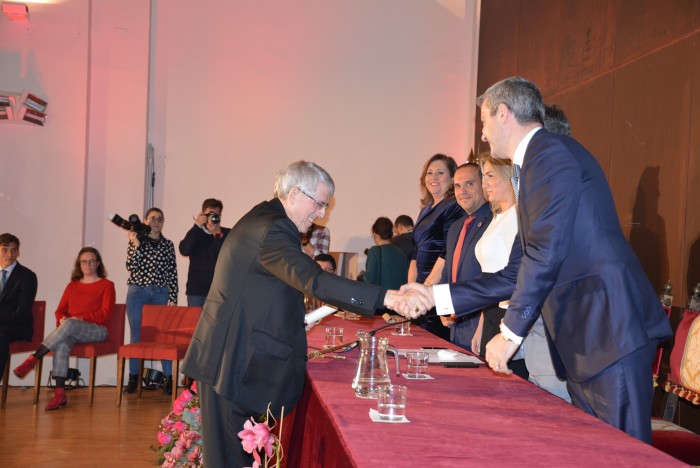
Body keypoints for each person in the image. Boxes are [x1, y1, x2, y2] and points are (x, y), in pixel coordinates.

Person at [399, 77, 673, 443]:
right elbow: (519, 269)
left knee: (623, 455)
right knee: (592, 453)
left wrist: (510, 333)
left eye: (483, 121)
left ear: (503, 113)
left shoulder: (548, 153)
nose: (483, 134)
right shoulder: (534, 164)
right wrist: (437, 297)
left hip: (608, 331)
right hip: (588, 340)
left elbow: (543, 252)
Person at [181, 160, 428, 467]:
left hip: (230, 358)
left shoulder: (266, 215)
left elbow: (267, 287)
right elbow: (314, 280)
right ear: (295, 193)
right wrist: (388, 296)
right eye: (320, 203)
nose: (321, 214)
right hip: (232, 364)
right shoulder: (274, 228)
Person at [13, 247, 115, 410]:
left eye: (92, 261)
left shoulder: (107, 285)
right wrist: (62, 319)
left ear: (98, 264)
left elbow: (105, 313)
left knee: (71, 324)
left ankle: (33, 359)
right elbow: (60, 310)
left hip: (97, 330)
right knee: (61, 344)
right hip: (71, 329)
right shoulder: (72, 286)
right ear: (79, 264)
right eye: (84, 261)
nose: (87, 264)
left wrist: (78, 319)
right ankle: (60, 394)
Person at [438, 162, 492, 352]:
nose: (462, 191)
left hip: (481, 326)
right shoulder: (455, 227)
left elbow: (492, 278)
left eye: (470, 184)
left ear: (483, 184)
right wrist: (443, 308)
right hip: (455, 327)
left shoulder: (494, 222)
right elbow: (447, 273)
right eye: (457, 186)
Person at [409, 153, 464, 340]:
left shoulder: (453, 205)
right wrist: (412, 288)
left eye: (440, 173)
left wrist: (426, 289)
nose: (433, 177)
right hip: (423, 288)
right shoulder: (425, 209)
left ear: (451, 179)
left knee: (436, 343)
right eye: (430, 172)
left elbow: (447, 251)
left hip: (438, 287)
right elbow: (415, 253)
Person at [124, 207, 178, 396]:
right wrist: (136, 245)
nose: (156, 222)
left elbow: (172, 271)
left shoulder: (168, 244)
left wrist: (173, 296)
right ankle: (133, 378)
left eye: (160, 219)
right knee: (136, 335)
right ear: (145, 221)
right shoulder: (136, 240)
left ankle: (169, 379)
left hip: (160, 293)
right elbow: (131, 266)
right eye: (152, 218)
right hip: (137, 291)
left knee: (163, 336)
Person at [179, 198, 231, 307]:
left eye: (215, 215)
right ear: (203, 215)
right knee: (194, 324)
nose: (212, 218)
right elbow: (184, 250)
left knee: (218, 324)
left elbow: (227, 257)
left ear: (220, 217)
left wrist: (217, 235)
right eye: (209, 215)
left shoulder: (227, 234)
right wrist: (197, 225)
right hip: (196, 292)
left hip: (219, 291)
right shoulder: (195, 233)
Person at [0, 233, 38, 384]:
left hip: (17, 326)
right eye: (4, 250)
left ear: (18, 252)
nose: (10, 254)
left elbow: (21, 313)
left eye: (13, 250)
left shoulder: (27, 276)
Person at [363, 217, 408, 291]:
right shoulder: (401, 253)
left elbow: (369, 280)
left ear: (376, 235)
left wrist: (362, 275)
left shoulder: (374, 251)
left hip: (382, 299)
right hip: (398, 298)